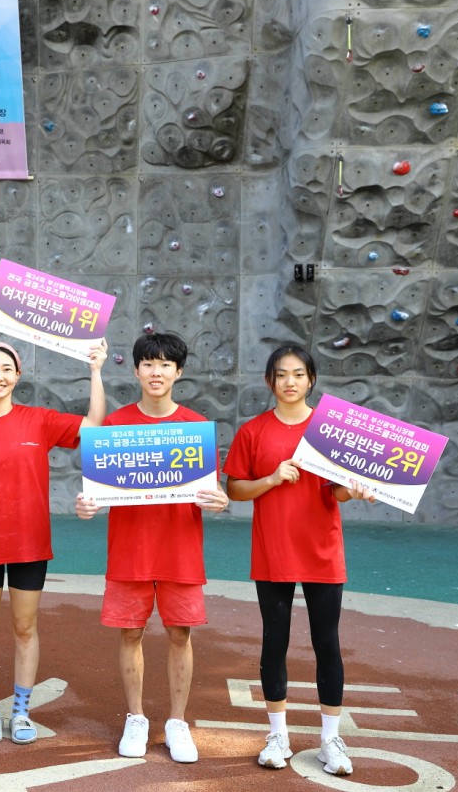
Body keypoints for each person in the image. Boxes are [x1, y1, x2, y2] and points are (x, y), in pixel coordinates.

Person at [75, 332, 229, 764]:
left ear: (178, 372)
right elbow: (99, 492)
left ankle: (178, 722)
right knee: (130, 632)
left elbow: (212, 491)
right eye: (148, 364)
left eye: (165, 365)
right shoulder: (115, 426)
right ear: (136, 370)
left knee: (180, 633)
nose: (156, 372)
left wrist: (219, 500)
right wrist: (88, 505)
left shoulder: (196, 428)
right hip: (130, 550)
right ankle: (137, 717)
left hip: (180, 550)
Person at [222, 345, 374, 776]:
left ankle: (330, 740)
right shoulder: (253, 431)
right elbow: (234, 489)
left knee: (327, 642)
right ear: (269, 380)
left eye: (299, 374)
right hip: (274, 549)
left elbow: (338, 491)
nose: (290, 382)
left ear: (311, 380)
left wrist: (355, 489)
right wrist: (272, 478)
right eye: (281, 374)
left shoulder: (331, 432)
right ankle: (278, 736)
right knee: (275, 640)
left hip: (322, 549)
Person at [0, 339, 106, 745]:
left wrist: (95, 370)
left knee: (25, 627)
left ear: (18, 376)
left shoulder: (39, 420)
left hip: (29, 542)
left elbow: (93, 426)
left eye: (6, 369)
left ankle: (21, 711)